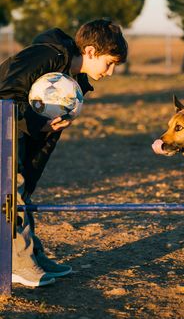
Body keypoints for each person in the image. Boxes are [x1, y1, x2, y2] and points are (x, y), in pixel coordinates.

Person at [0, 19, 128, 287]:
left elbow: (42, 124)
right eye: (109, 63)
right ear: (91, 51)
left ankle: (31, 254)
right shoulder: (46, 55)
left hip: (19, 134)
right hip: (4, 127)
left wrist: (43, 133)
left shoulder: (75, 78)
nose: (111, 72)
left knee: (22, 190)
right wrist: (38, 124)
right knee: (13, 191)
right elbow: (5, 95)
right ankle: (18, 263)